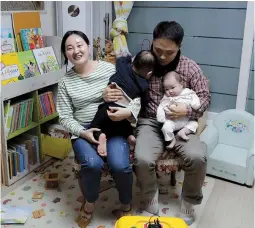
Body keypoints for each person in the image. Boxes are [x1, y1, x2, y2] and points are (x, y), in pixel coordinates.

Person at [104, 21, 211, 226]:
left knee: (198, 157)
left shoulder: (190, 67)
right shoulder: (142, 61)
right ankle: (150, 199)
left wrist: (187, 110)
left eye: (168, 52)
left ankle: (189, 203)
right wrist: (108, 90)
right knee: (142, 158)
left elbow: (205, 98)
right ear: (152, 42)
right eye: (158, 49)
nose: (161, 57)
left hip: (182, 123)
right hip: (150, 122)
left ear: (180, 46)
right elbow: (119, 79)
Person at [57, 30, 140, 227]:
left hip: (112, 127)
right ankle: (89, 203)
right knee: (92, 164)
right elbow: (65, 116)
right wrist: (82, 132)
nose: (76, 51)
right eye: (70, 48)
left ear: (88, 46)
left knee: (120, 165)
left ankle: (126, 206)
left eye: (80, 45)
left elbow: (132, 96)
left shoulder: (108, 69)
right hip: (83, 130)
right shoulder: (65, 82)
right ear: (65, 54)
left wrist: (123, 109)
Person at [88, 50, 155, 155]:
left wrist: (128, 59)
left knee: (95, 124)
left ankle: (99, 134)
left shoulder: (122, 67)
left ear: (133, 62)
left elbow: (121, 59)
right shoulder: (144, 85)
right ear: (149, 73)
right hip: (123, 112)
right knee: (125, 125)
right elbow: (145, 101)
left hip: (108, 107)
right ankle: (129, 136)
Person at [157, 71, 201, 149]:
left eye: (173, 87)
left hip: (186, 120)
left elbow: (194, 96)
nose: (170, 91)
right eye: (166, 89)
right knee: (166, 127)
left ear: (181, 85)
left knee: (194, 124)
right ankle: (172, 140)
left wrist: (195, 104)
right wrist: (161, 118)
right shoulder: (167, 98)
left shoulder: (187, 92)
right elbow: (161, 106)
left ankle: (183, 132)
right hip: (173, 121)